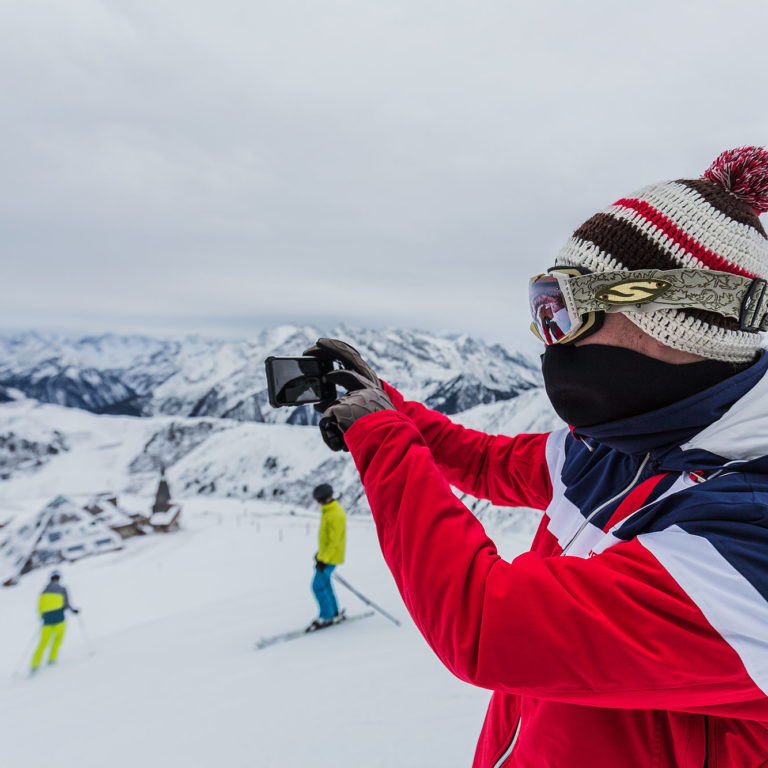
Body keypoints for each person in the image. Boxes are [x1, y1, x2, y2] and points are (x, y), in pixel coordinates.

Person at [306, 147, 768, 766]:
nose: (552, 336)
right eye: (544, 308)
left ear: (683, 318)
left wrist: (385, 444)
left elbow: (484, 626)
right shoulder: (623, 445)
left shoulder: (749, 537)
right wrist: (387, 405)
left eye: (568, 306)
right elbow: (485, 462)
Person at [307, 483, 346, 631]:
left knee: (317, 586)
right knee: (325, 584)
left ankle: (327, 616)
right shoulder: (329, 511)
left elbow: (334, 542)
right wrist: (320, 555)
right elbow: (327, 539)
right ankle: (333, 612)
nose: (317, 503)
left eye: (319, 500)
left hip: (331, 558)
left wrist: (324, 559)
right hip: (328, 556)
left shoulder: (335, 514)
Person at [31, 570, 79, 673]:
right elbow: (66, 604)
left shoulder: (43, 591)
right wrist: (74, 611)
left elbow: (40, 606)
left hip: (47, 621)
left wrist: (42, 617)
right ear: (59, 578)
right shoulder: (62, 589)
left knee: (43, 643)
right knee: (57, 640)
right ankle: (52, 660)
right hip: (59, 619)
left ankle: (35, 664)